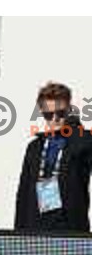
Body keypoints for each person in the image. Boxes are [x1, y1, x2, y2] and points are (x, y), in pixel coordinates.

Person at [15, 82, 92, 232]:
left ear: (69, 110)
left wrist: (75, 126)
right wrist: (19, 232)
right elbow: (23, 194)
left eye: (61, 113)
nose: (55, 119)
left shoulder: (83, 141)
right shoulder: (35, 147)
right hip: (36, 227)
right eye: (48, 115)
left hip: (70, 226)